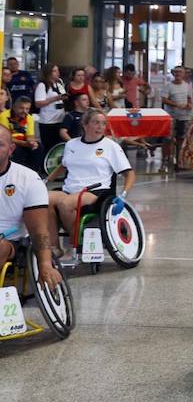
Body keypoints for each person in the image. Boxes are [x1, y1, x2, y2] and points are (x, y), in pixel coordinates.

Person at [45, 109, 136, 263]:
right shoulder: (71, 144)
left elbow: (130, 173)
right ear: (85, 125)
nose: (100, 127)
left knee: (65, 204)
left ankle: (77, 245)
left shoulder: (110, 146)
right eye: (96, 122)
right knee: (42, 200)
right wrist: (46, 181)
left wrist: (124, 194)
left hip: (96, 191)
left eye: (103, 123)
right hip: (69, 189)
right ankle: (55, 248)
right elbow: (63, 165)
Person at [0, 128, 62, 291]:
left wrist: (45, 264)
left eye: (0, 145)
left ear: (11, 149)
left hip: (11, 241)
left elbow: (39, 230)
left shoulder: (28, 179)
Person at [162, 66, 193, 171]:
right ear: (173, 74)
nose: (178, 74)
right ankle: (166, 160)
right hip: (171, 117)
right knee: (168, 139)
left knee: (181, 139)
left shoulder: (188, 86)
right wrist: (176, 104)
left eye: (180, 72)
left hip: (184, 116)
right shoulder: (168, 86)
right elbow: (164, 99)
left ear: (184, 74)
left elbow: (190, 99)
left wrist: (189, 104)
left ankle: (179, 161)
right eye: (176, 72)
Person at [0, 97, 40, 171]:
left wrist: (32, 143)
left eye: (27, 109)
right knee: (17, 150)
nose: (24, 111)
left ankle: (34, 171)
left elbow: (30, 136)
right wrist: (24, 143)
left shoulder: (29, 118)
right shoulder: (4, 116)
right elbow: (5, 137)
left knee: (38, 147)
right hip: (9, 142)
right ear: (14, 107)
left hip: (24, 142)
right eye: (21, 108)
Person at [33, 64, 67, 152]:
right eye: (54, 71)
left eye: (58, 71)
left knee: (58, 146)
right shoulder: (42, 85)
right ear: (48, 73)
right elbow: (38, 103)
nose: (57, 73)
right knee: (49, 146)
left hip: (60, 119)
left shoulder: (59, 83)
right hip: (48, 121)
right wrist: (55, 98)